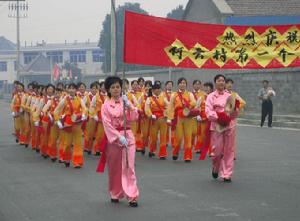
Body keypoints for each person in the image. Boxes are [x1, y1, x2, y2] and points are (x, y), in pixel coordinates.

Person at [100, 76, 139, 207]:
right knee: (115, 168)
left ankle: (132, 195)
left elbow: (134, 117)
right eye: (113, 87)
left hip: (128, 136)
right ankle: (115, 192)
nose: (116, 89)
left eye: (118, 86)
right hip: (114, 139)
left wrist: (129, 107)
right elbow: (107, 124)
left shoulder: (126, 101)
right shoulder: (105, 105)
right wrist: (117, 136)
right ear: (108, 90)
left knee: (130, 166)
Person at [205, 74, 239, 182]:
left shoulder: (230, 95)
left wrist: (234, 111)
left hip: (229, 125)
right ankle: (215, 167)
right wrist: (219, 117)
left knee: (229, 150)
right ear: (215, 82)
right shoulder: (210, 96)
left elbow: (234, 112)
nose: (221, 82)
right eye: (219, 80)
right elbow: (208, 111)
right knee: (217, 152)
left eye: (223, 81)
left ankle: (227, 174)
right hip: (217, 126)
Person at [167, 77, 196, 162]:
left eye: (184, 83)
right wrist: (169, 118)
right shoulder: (174, 95)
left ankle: (188, 156)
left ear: (186, 84)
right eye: (181, 83)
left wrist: (188, 104)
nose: (182, 84)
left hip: (188, 117)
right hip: (178, 118)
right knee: (178, 138)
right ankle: (175, 152)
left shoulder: (190, 94)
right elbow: (170, 107)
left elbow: (194, 102)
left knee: (188, 137)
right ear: (178, 84)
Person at [145, 83, 168, 159]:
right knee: (154, 137)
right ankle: (152, 150)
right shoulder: (149, 99)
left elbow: (168, 106)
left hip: (162, 119)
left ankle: (163, 154)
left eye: (159, 89)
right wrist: (151, 115)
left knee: (163, 137)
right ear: (153, 90)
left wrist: (166, 113)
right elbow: (147, 108)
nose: (158, 90)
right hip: (154, 119)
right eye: (156, 89)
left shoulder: (163, 98)